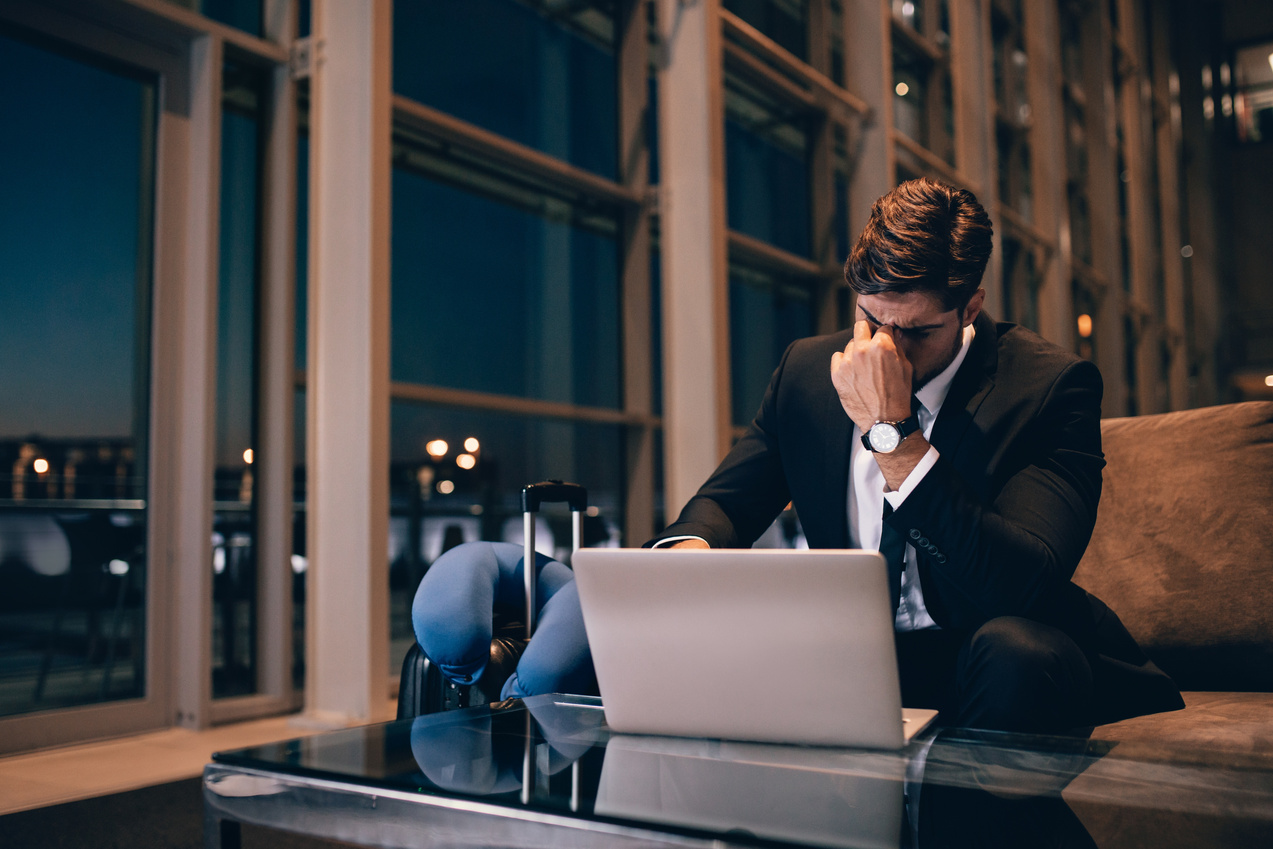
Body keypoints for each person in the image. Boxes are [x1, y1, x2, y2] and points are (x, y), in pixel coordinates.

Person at [648, 177, 1182, 732]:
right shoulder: (807, 373)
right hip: (854, 659)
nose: (886, 350)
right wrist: (689, 553)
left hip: (987, 655)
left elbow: (1020, 585)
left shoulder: (1050, 388)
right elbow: (727, 506)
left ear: (970, 307)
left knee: (1015, 651)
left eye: (917, 332)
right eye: (873, 322)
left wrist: (892, 430)